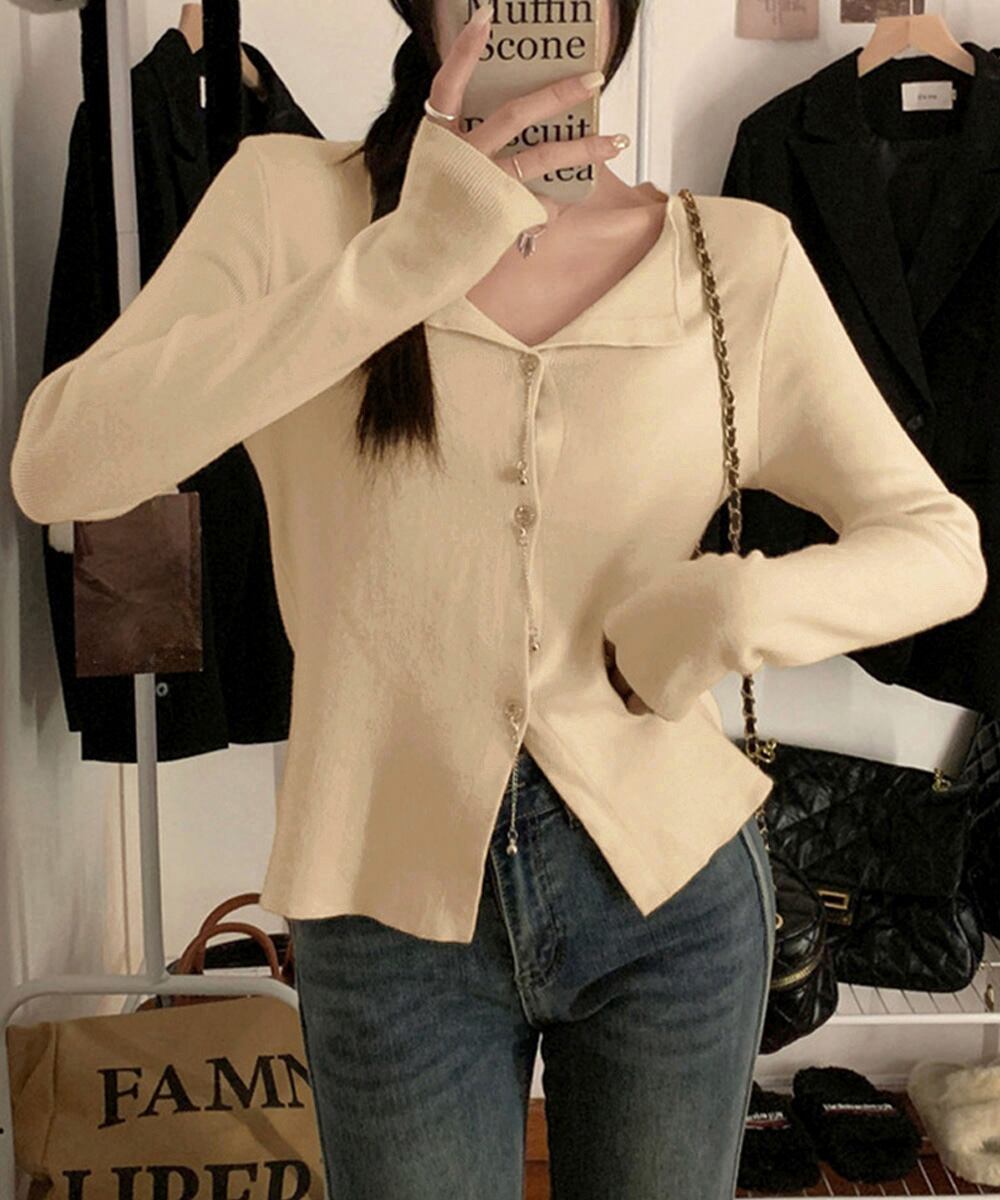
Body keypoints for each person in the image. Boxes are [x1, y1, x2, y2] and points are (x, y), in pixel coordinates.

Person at [8, 0, 987, 1197]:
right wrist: (406, 257)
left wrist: (730, 613)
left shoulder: (734, 257)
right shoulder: (283, 201)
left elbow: (940, 544)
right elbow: (61, 468)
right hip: (383, 909)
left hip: (673, 894)